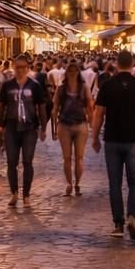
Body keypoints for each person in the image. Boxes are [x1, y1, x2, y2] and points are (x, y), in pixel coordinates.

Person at [91, 50, 135, 240]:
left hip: (112, 139)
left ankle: (118, 223)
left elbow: (98, 113)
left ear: (117, 64)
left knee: (115, 184)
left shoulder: (108, 85)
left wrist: (94, 137)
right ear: (133, 63)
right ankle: (132, 216)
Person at [0, 56, 47, 206]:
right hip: (11, 126)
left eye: (23, 67)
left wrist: (43, 127)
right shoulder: (7, 85)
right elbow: (0, 106)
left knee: (27, 161)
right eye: (17, 67)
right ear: (13, 68)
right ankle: (14, 193)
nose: (20, 70)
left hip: (29, 127)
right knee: (12, 162)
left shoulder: (34, 85)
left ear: (28, 68)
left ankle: (26, 195)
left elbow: (41, 107)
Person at [55, 65, 94, 195]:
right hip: (64, 125)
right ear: (66, 73)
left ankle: (77, 182)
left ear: (78, 72)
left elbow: (90, 106)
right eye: (70, 71)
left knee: (79, 157)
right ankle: (69, 183)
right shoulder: (61, 89)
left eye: (74, 70)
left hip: (80, 124)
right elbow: (55, 108)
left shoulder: (84, 88)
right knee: (67, 158)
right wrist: (53, 128)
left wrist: (92, 124)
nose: (72, 73)